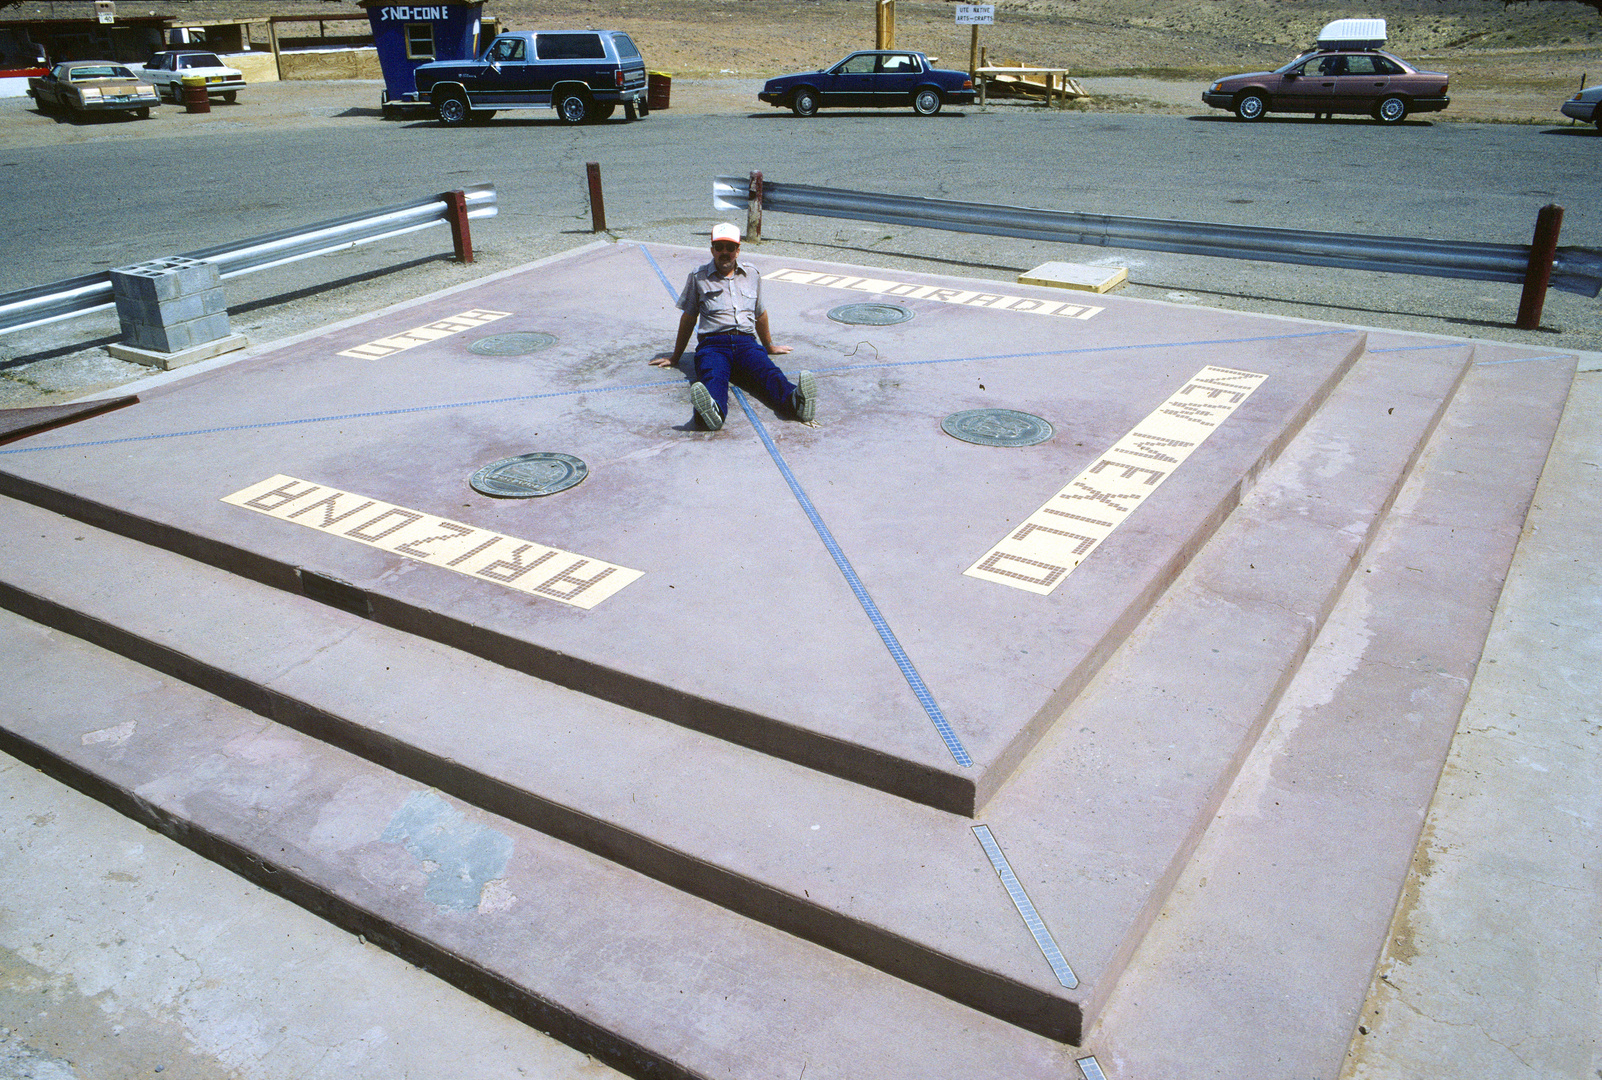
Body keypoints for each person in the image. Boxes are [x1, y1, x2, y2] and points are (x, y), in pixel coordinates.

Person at [652, 223, 816, 431]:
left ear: (738, 250)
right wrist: (675, 357)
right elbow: (688, 318)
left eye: (730, 248)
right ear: (712, 249)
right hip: (713, 345)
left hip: (746, 343)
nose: (724, 253)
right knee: (712, 376)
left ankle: (796, 402)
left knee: (768, 372)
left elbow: (760, 314)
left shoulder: (752, 274)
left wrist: (770, 346)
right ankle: (712, 414)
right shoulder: (698, 277)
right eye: (719, 247)